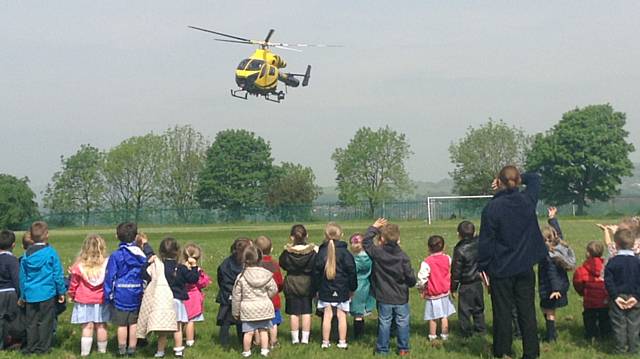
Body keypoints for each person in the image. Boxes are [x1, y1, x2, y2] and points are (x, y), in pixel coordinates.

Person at [477, 166, 547, 359]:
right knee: (527, 311)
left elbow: (486, 242)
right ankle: (531, 353)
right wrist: (515, 179)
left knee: (502, 312)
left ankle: (502, 351)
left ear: (498, 182)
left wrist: (483, 267)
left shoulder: (492, 208)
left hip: (501, 267)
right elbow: (534, 178)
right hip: (525, 266)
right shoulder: (527, 200)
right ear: (516, 181)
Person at [363, 218, 416, 356]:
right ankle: (403, 348)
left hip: (383, 295)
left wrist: (373, 227)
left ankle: (382, 349)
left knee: (384, 322)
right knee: (403, 322)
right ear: (398, 239)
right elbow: (410, 277)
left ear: (382, 239)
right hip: (400, 296)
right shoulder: (403, 256)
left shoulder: (378, 253)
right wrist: (411, 282)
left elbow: (366, 242)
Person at [18, 221, 67, 354]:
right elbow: (57, 274)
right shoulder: (51, 253)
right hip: (47, 293)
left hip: (30, 293)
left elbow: (22, 277)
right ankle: (43, 348)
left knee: (31, 322)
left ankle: (31, 347)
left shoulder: (26, 255)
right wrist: (61, 291)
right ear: (47, 235)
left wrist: (22, 295)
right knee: (46, 321)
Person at [104, 222, 148, 356]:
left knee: (122, 324)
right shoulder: (140, 254)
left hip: (121, 292)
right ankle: (132, 349)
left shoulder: (116, 255)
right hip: (136, 291)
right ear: (135, 237)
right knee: (133, 323)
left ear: (117, 236)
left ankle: (121, 349)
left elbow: (110, 275)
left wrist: (108, 294)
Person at [312, 222, 357, 350]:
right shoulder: (346, 253)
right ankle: (342, 342)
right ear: (341, 235)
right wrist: (352, 288)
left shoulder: (321, 252)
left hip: (325, 288)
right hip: (342, 289)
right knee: (342, 316)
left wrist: (316, 288)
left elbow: (316, 272)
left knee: (327, 316)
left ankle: (325, 342)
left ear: (325, 235)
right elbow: (352, 272)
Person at [154, 237, 200, 358]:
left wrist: (149, 261)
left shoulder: (159, 267)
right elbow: (193, 279)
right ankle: (178, 349)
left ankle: (160, 351)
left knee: (162, 330)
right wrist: (194, 267)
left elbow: (144, 274)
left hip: (163, 301)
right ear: (178, 251)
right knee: (177, 327)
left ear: (161, 252)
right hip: (177, 301)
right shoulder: (181, 268)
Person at [68, 234, 110, 356]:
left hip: (84, 299)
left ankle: (84, 353)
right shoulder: (106, 264)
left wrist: (71, 294)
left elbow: (74, 284)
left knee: (87, 327)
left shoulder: (79, 267)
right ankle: (102, 352)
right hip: (101, 299)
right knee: (101, 326)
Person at [232, 245, 278, 358]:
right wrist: (266, 297)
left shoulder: (241, 276)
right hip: (264, 307)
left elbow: (236, 296)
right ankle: (264, 350)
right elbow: (274, 289)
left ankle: (247, 351)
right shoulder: (266, 274)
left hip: (248, 308)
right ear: (260, 258)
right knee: (263, 331)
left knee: (248, 333)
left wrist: (235, 312)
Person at [538, 207, 575, 342]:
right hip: (561, 284)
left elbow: (551, 273)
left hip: (551, 287)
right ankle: (551, 331)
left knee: (548, 311)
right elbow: (558, 233)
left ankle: (551, 336)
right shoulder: (559, 246)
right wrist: (552, 218)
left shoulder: (548, 256)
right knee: (547, 309)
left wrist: (555, 289)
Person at [279, 225, 317, 345]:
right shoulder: (312, 252)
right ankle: (305, 339)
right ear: (307, 236)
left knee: (294, 313)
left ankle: (295, 339)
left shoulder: (286, 253)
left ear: (291, 237)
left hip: (291, 283)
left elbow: (282, 264)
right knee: (306, 312)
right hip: (307, 283)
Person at [604, 229, 640, 354]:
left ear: (616, 244)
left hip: (618, 296)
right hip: (634, 297)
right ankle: (633, 349)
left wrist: (615, 297)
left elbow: (608, 281)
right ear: (634, 244)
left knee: (619, 324)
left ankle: (619, 349)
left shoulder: (612, 262)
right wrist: (636, 296)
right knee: (634, 324)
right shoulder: (638, 262)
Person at [450, 221, 486, 337]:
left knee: (465, 310)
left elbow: (456, 271)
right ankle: (480, 329)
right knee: (479, 307)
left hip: (466, 284)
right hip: (478, 281)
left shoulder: (459, 250)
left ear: (458, 234)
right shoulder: (479, 243)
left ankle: (466, 333)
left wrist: (453, 288)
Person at [417, 235, 456, 341]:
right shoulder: (447, 258)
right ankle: (445, 335)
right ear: (443, 247)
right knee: (444, 316)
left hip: (433, 293)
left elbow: (421, 278)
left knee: (432, 317)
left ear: (428, 248)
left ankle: (432, 336)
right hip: (444, 292)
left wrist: (421, 289)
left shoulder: (427, 262)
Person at [217, 238, 254, 346]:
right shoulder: (246, 266)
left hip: (226, 295)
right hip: (240, 296)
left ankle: (223, 342)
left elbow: (220, 278)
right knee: (241, 320)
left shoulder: (225, 263)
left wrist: (225, 289)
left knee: (225, 321)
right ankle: (242, 341)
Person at [573, 241, 610, 340]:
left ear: (588, 253)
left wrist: (582, 292)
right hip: (605, 300)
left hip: (589, 300)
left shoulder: (581, 270)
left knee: (589, 318)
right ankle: (606, 334)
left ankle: (591, 334)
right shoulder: (607, 267)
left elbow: (578, 283)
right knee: (605, 317)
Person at [255, 236, 284, 348]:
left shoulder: (254, 265)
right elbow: (280, 282)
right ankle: (273, 341)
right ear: (271, 249)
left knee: (257, 322)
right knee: (274, 322)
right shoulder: (274, 264)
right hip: (273, 299)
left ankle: (257, 341)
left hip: (257, 299)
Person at [182, 243, 211, 348]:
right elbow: (202, 283)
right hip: (194, 297)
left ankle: (180, 337)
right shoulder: (197, 270)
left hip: (182, 295)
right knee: (191, 321)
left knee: (182, 319)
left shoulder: (181, 268)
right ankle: (190, 340)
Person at [348, 233, 376, 339]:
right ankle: (361, 332)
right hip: (366, 285)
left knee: (357, 314)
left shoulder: (354, 260)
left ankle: (358, 335)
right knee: (361, 311)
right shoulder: (369, 258)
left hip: (356, 286)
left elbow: (352, 273)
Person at [0, 230, 19, 350]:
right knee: (11, 318)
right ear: (13, 245)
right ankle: (10, 341)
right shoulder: (12, 260)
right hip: (10, 292)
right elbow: (16, 278)